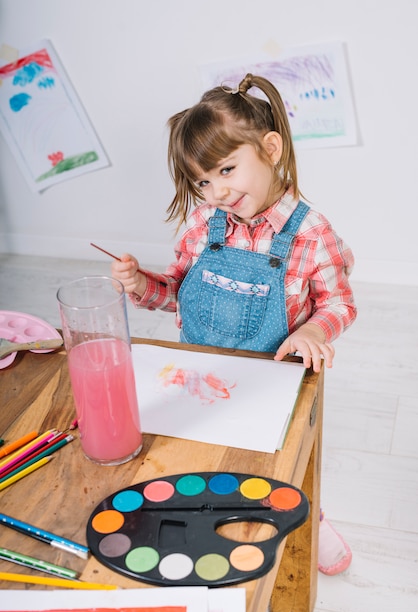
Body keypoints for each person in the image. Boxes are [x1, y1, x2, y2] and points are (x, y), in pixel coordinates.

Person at [111, 73, 356, 575]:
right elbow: (174, 292)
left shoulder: (310, 232)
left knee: (276, 468)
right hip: (199, 376)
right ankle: (200, 523)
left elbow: (341, 304)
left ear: (269, 148)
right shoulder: (203, 224)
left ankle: (314, 518)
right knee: (195, 461)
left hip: (276, 381)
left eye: (227, 169)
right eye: (203, 180)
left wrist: (314, 330)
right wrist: (139, 285)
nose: (217, 190)